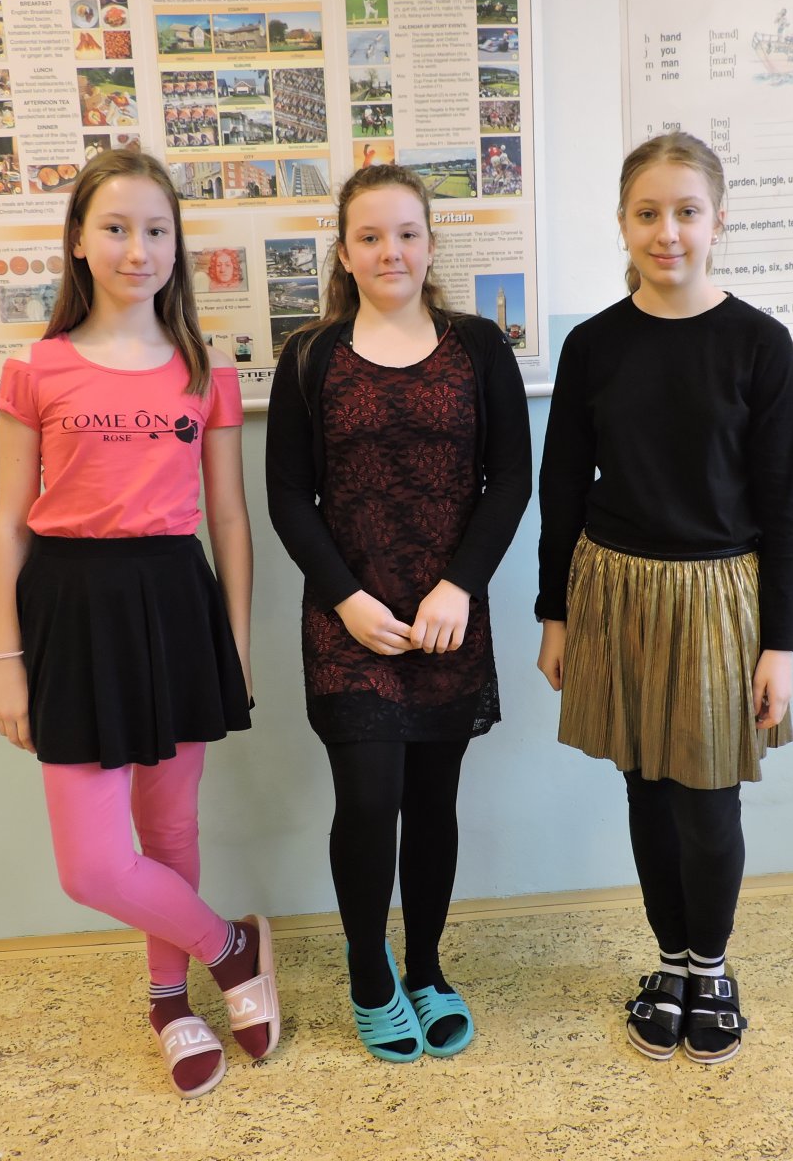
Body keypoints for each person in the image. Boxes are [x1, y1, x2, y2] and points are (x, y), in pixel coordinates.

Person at [0, 149, 278, 1099]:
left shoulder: (203, 369)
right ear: (79, 240)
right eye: (115, 228)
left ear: (176, 245)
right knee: (92, 865)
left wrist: (235, 645)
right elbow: (8, 522)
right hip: (69, 609)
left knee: (171, 826)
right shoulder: (36, 368)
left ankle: (170, 1000)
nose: (137, 249)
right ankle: (230, 947)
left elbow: (228, 519)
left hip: (174, 602)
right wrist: (4, 659)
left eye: (156, 230)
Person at [535, 131, 793, 1066]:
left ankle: (711, 966)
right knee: (645, 789)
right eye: (648, 213)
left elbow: (787, 500)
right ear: (622, 222)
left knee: (707, 800)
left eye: (687, 212)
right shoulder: (593, 346)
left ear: (718, 221)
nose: (668, 232)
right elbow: (562, 487)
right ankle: (668, 962)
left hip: (720, 597)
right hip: (614, 587)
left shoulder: (759, 344)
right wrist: (553, 614)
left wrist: (780, 643)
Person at [266, 164, 530, 1061]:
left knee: (432, 800)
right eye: (370, 236)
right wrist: (345, 598)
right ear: (344, 252)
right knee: (369, 798)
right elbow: (288, 496)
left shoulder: (479, 347)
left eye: (407, 233)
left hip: (447, 616)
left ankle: (425, 968)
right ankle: (369, 971)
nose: (391, 251)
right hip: (350, 619)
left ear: (430, 243)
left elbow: (511, 480)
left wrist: (462, 584)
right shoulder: (310, 356)